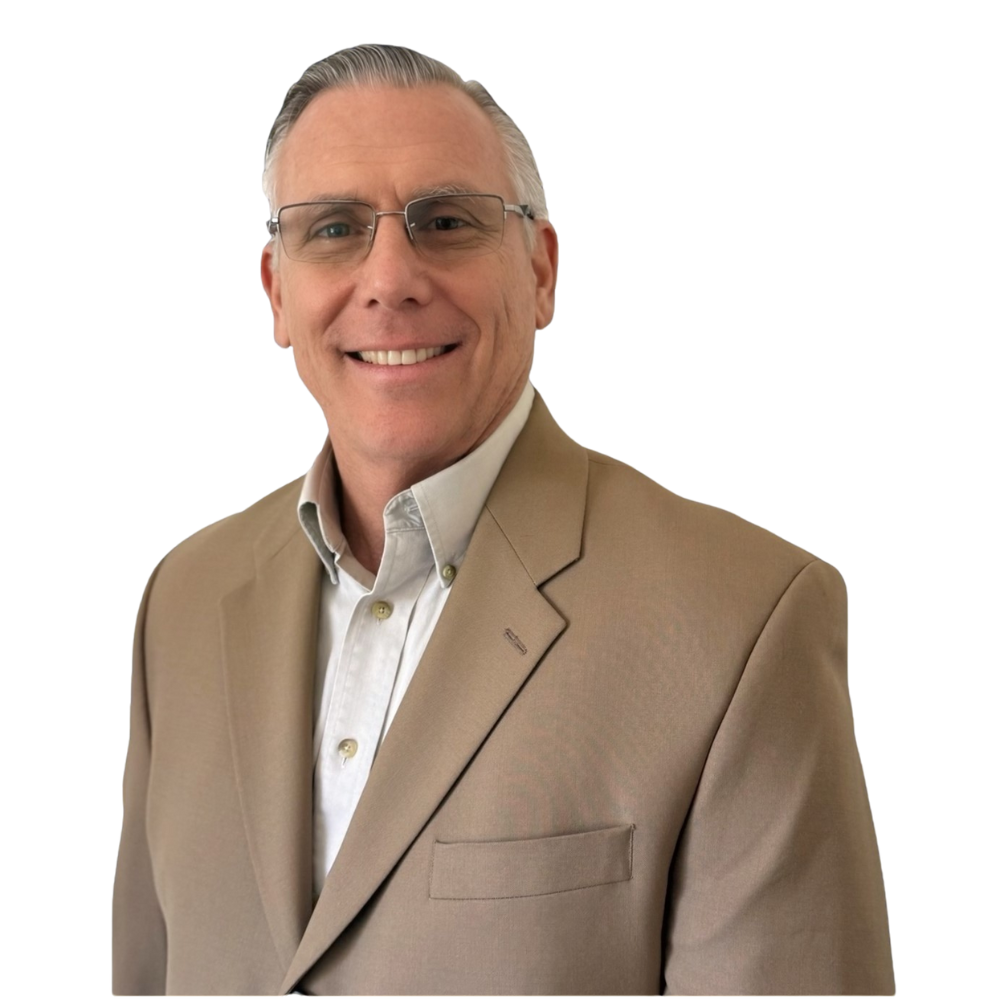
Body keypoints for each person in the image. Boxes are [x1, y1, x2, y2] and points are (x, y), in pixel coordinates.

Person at [112, 43, 895, 998]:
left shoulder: (747, 619)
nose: (389, 277)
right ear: (276, 291)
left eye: (446, 221)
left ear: (541, 270)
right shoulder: (184, 598)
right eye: (333, 229)